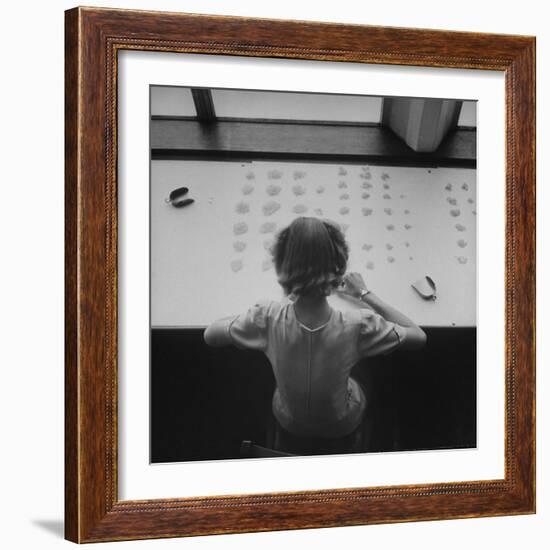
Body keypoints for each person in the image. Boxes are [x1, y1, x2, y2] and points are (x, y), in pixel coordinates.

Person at [203, 217, 426, 453]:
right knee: (370, 369)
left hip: (288, 421)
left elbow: (210, 334)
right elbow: (419, 337)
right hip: (342, 425)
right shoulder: (359, 325)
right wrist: (364, 293)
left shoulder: (266, 317)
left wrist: (260, 312)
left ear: (282, 267)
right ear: (338, 269)